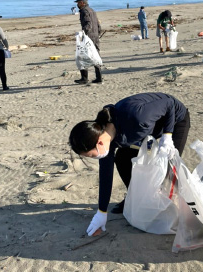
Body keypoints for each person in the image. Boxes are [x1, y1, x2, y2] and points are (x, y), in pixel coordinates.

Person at [69, 92, 190, 236]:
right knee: (122, 158)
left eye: (90, 155)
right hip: (148, 129)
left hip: (175, 120)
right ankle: (134, 199)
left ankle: (174, 208)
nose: (93, 158)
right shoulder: (107, 140)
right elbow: (105, 176)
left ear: (99, 143)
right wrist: (102, 211)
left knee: (168, 169)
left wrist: (167, 136)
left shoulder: (136, 116)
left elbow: (169, 103)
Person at [74, 0, 103, 84]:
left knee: (81, 56)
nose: (77, 4)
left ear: (82, 3)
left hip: (88, 37)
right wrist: (98, 33)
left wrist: (83, 35)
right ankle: (99, 77)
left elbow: (88, 24)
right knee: (96, 56)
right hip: (95, 36)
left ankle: (84, 78)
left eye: (78, 2)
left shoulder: (84, 11)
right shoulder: (92, 10)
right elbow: (98, 25)